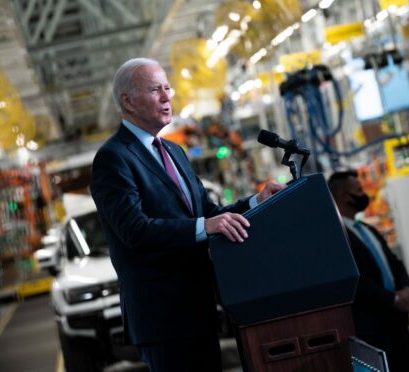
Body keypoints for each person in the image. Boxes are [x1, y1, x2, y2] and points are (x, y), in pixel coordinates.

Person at [90, 58, 285, 372]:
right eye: (156, 90)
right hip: (162, 316)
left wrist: (254, 202)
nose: (167, 97)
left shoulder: (174, 151)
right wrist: (205, 226)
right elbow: (134, 230)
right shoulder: (113, 158)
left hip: (200, 306)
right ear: (128, 100)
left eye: (167, 88)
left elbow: (206, 213)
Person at [328, 170, 409, 372]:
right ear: (345, 197)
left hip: (397, 323)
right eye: (359, 190)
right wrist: (393, 299)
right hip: (372, 330)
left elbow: (395, 263)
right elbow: (359, 281)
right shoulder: (339, 238)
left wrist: (407, 289)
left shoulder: (368, 230)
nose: (364, 194)